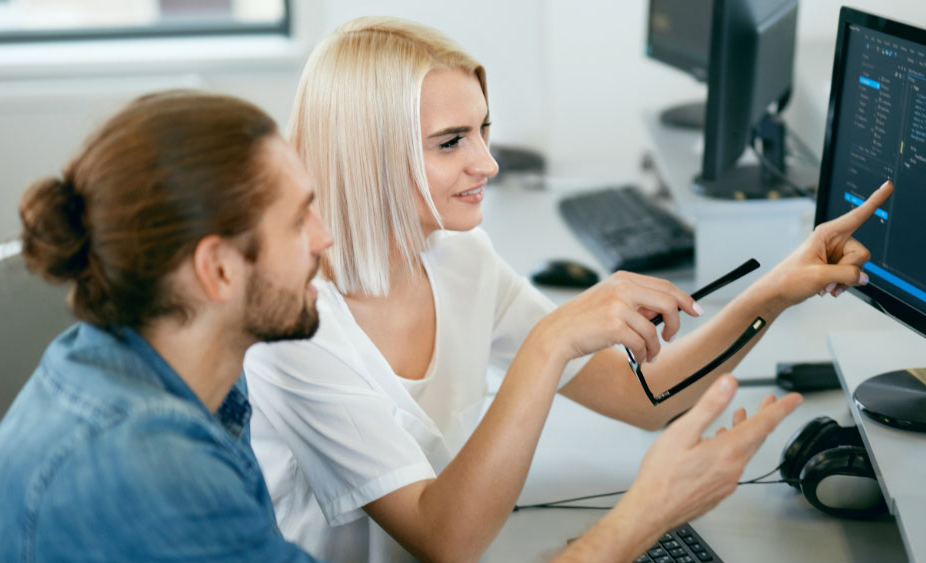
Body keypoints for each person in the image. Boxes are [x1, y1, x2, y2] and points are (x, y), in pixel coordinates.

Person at [243, 16, 894, 562]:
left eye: (483, 130)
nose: (488, 163)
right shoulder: (296, 329)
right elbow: (444, 537)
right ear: (368, 153)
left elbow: (646, 395)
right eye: (451, 142)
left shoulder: (459, 256)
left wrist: (778, 289)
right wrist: (551, 339)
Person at [0, 90, 334, 561]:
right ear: (218, 269)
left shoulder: (126, 359)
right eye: (299, 220)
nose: (325, 237)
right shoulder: (148, 463)